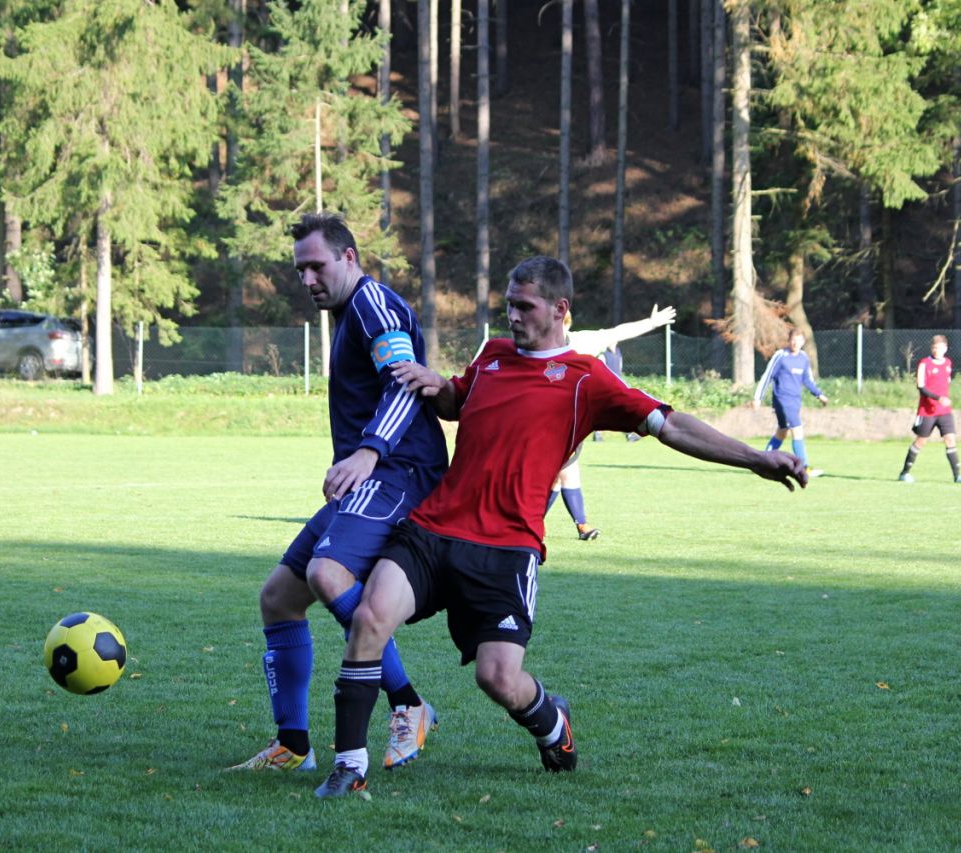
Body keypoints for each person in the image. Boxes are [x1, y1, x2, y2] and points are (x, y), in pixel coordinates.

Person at [312, 256, 807, 798]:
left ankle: (552, 724)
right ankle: (349, 766)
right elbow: (461, 401)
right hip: (434, 528)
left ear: (559, 309)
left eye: (524, 307)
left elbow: (672, 426)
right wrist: (438, 385)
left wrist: (756, 459)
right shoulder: (492, 356)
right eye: (508, 305)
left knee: (497, 678)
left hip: (505, 549)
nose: (512, 316)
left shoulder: (585, 378)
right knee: (370, 617)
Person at [230, 214, 449, 774]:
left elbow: (406, 383)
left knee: (328, 574)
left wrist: (369, 451)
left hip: (400, 471)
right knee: (279, 597)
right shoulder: (351, 312)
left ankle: (409, 705)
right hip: (369, 477)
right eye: (299, 270)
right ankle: (293, 745)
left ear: (349, 257)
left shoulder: (374, 305)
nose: (307, 280)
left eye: (316, 266)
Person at [547, 306, 676, 541]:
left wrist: (651, 323)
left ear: (566, 324)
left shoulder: (581, 342)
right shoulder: (536, 347)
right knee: (564, 475)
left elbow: (617, 332)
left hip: (569, 424)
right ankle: (574, 525)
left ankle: (546, 524)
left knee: (562, 475)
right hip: (546, 424)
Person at [897, 335, 961, 484]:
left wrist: (943, 400)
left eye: (939, 348)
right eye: (934, 348)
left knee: (950, 439)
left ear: (945, 349)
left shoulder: (948, 363)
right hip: (927, 411)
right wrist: (938, 398)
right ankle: (904, 473)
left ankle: (958, 476)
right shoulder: (924, 363)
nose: (936, 351)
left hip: (944, 411)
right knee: (921, 441)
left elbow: (945, 382)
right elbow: (921, 387)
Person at [753, 328, 829, 477]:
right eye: (793, 340)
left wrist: (819, 394)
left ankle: (763, 463)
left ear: (803, 342)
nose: (795, 343)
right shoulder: (781, 356)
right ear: (789, 341)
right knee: (797, 431)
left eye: (798, 341)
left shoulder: (803, 358)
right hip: (782, 400)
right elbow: (767, 376)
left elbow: (807, 380)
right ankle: (803, 468)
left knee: (782, 432)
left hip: (795, 401)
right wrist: (758, 397)